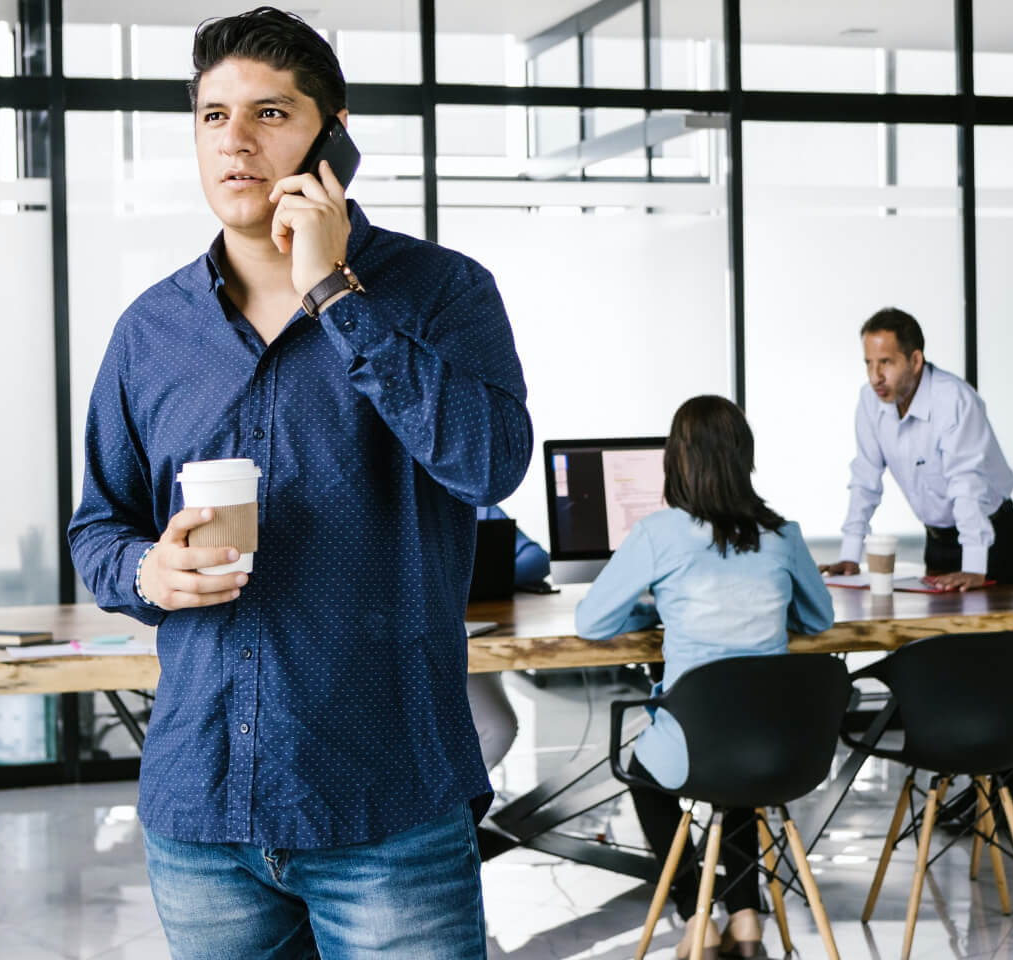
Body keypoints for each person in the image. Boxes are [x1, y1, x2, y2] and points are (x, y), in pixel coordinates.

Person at [65, 8, 531, 958]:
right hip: (201, 813)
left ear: (335, 135)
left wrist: (334, 296)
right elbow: (98, 527)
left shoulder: (442, 293)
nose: (234, 139)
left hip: (387, 805)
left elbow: (491, 464)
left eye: (269, 113)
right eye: (211, 116)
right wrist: (147, 576)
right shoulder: (150, 333)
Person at [575, 395, 835, 959]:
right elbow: (819, 619)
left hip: (698, 742)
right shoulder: (783, 533)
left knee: (649, 779)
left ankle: (697, 915)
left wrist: (654, 608)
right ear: (745, 460)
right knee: (736, 758)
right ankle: (746, 916)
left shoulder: (658, 534)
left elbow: (591, 622)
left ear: (677, 461)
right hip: (776, 746)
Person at [818, 307, 1013, 590]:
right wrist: (849, 556)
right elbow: (865, 478)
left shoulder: (953, 400)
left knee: (989, 631)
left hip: (989, 540)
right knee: (937, 630)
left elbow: (966, 484)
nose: (875, 376)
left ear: (915, 361)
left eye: (886, 362)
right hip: (937, 540)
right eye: (869, 363)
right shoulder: (870, 401)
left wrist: (975, 567)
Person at [464, 505, 549, 771]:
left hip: (461, 637)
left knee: (495, 726)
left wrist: (463, 581)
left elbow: (537, 558)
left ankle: (459, 812)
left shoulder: (473, 500)